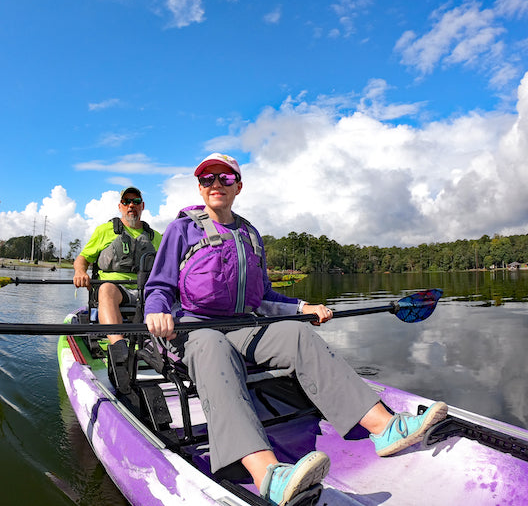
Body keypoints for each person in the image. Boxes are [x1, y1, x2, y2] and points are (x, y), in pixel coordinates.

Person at [144, 153, 448, 506]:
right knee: (214, 346)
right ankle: (269, 475)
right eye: (208, 179)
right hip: (195, 330)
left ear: (238, 186)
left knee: (296, 333)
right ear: (199, 186)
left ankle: (385, 428)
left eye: (225, 179)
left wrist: (304, 308)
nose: (216, 185)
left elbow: (265, 296)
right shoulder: (182, 229)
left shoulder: (249, 234)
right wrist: (156, 312)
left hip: (244, 326)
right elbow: (159, 287)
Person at [73, 187, 162, 390]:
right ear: (120, 206)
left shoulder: (156, 237)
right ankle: (119, 349)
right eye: (127, 201)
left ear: (142, 206)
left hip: (145, 292)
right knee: (106, 290)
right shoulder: (104, 231)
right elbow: (82, 259)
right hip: (116, 290)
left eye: (136, 201)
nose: (132, 205)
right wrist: (80, 272)